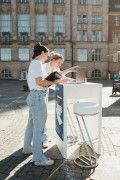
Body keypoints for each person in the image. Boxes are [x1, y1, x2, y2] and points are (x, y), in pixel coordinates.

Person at [22, 43, 68, 166]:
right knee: (39, 128)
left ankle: (26, 148)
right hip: (38, 97)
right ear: (42, 53)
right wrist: (56, 81)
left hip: (34, 96)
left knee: (31, 125)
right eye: (47, 53)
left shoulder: (35, 63)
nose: (48, 56)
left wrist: (52, 80)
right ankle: (39, 158)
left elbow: (39, 81)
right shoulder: (37, 63)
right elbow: (40, 82)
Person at [42, 51, 79, 148]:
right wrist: (68, 72)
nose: (59, 65)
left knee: (44, 114)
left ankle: (44, 136)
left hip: (45, 92)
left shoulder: (56, 68)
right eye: (59, 62)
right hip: (40, 91)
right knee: (42, 116)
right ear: (53, 60)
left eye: (61, 64)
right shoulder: (44, 67)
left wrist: (72, 80)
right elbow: (48, 80)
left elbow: (61, 75)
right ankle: (43, 138)